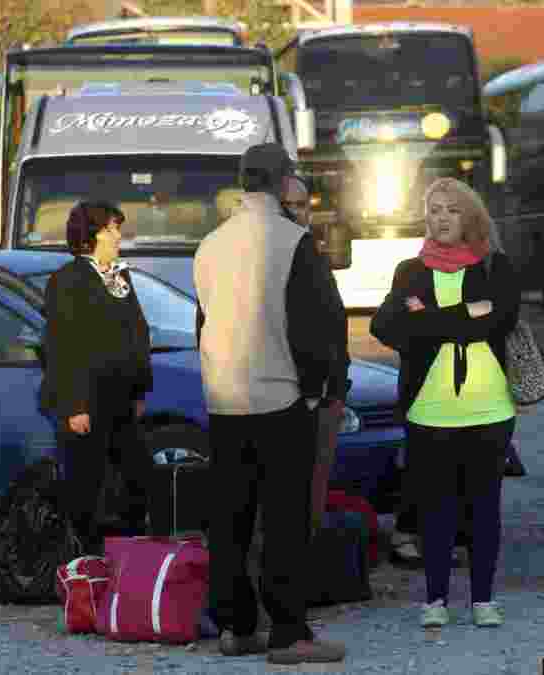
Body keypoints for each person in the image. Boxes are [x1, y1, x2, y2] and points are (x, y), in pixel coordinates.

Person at [194, 143, 347, 665]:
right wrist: (314, 389)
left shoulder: (209, 245)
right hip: (281, 399)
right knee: (284, 521)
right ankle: (288, 633)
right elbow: (316, 326)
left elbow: (204, 321)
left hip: (224, 400)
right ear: (285, 183)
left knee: (230, 520)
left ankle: (235, 627)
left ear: (242, 181)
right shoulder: (294, 241)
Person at [370, 177, 519, 629]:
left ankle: (483, 600)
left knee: (483, 508)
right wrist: (467, 315)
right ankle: (434, 600)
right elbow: (386, 327)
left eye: (452, 209)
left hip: (489, 407)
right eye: (435, 209)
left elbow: (500, 320)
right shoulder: (409, 271)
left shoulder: (496, 267)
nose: (442, 218)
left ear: (470, 215)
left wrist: (427, 317)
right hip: (428, 408)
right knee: (435, 509)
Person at [39, 200, 153, 555]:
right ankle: (84, 564)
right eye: (111, 228)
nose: (118, 235)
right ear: (92, 235)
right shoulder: (68, 280)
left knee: (138, 480)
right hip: (86, 402)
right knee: (86, 490)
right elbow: (63, 345)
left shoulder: (121, 277)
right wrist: (75, 406)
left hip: (120, 400)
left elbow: (137, 333)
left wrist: (139, 390)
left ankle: (128, 559)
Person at [280, 175, 351, 535]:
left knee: (314, 496)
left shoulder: (314, 253)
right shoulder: (270, 256)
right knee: (289, 498)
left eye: (301, 205)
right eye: (287, 204)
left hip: (325, 393)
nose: (295, 212)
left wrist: (337, 382)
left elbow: (331, 323)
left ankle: (308, 572)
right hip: (291, 394)